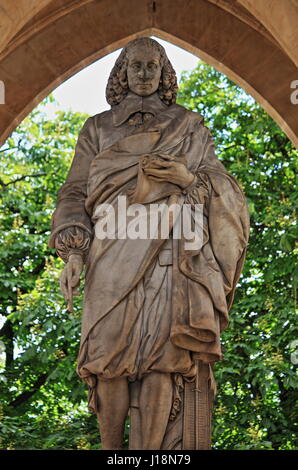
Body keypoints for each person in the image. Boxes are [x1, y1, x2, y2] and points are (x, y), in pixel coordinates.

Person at [49, 37, 249, 450]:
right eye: (135, 66)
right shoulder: (97, 128)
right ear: (122, 72)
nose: (143, 74)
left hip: (169, 252)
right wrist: (73, 251)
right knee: (107, 360)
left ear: (164, 74)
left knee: (163, 359)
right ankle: (111, 452)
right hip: (109, 252)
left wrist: (186, 178)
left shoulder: (189, 126)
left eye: (151, 67)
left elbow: (224, 188)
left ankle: (151, 455)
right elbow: (73, 193)